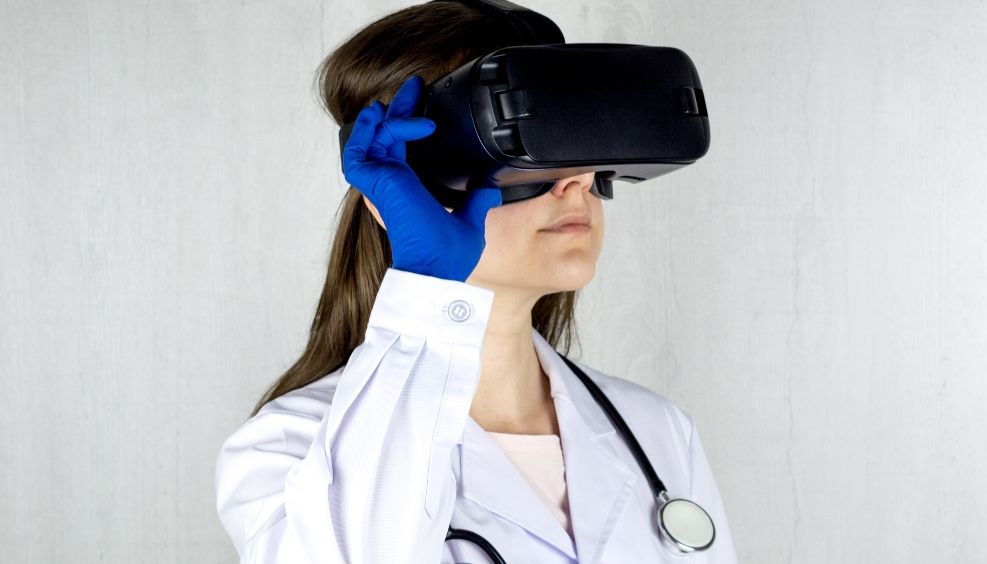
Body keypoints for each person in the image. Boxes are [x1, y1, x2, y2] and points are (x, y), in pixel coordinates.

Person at [213, 2, 738, 562]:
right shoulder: (287, 447)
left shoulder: (659, 431)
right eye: (522, 143)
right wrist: (428, 285)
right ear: (399, 190)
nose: (578, 179)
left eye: (572, 134)